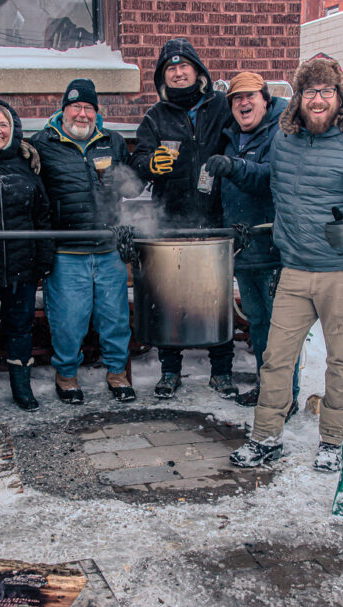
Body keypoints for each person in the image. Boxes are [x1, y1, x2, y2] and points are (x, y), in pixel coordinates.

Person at [230, 54, 343, 472]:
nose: (317, 99)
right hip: (296, 270)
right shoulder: (284, 142)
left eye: (326, 91)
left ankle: (332, 443)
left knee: (340, 361)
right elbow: (268, 179)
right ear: (298, 97)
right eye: (309, 91)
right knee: (275, 357)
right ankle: (266, 437)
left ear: (340, 97)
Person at [130, 38, 236, 400]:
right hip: (171, 217)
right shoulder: (155, 117)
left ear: (197, 70)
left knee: (216, 296)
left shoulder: (221, 106)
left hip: (215, 215)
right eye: (170, 69)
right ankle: (170, 371)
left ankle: (222, 371)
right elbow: (138, 165)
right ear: (163, 77)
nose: (178, 72)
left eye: (183, 66)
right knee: (171, 298)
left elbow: (247, 133)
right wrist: (150, 166)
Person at [31, 78, 144, 404]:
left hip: (108, 248)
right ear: (64, 109)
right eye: (76, 107)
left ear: (96, 112)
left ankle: (117, 374)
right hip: (67, 250)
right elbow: (35, 195)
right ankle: (66, 376)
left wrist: (121, 180)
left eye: (88, 108)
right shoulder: (43, 143)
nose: (82, 114)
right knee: (68, 321)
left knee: (115, 318)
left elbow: (133, 190)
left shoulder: (113, 141)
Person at [202, 71, 300, 413]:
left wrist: (233, 167)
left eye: (250, 96)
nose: (244, 103)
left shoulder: (281, 134)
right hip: (244, 248)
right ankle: (266, 386)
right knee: (257, 323)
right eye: (237, 98)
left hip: (274, 248)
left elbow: (270, 178)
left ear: (265, 100)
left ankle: (284, 398)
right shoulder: (231, 137)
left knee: (281, 328)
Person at [0, 99, 54, 417]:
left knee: (21, 329)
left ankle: (22, 389)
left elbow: (42, 216)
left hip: (22, 268)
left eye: (3, 124)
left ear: (14, 129)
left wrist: (43, 259)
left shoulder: (27, 165)